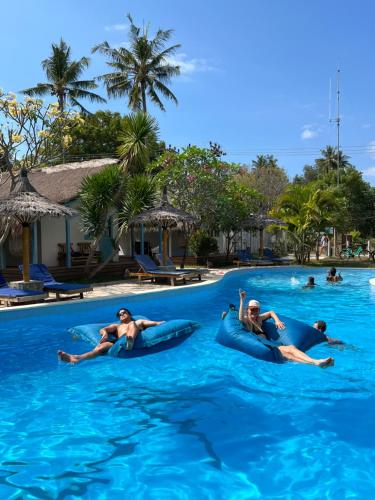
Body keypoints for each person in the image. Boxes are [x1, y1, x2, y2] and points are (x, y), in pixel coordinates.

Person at [238, 290, 334, 367]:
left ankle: (316, 363)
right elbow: (240, 318)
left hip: (270, 344)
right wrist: (242, 300)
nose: (254, 312)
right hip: (264, 345)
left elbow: (271, 312)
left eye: (256, 309)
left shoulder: (259, 318)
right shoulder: (247, 320)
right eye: (252, 309)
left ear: (259, 310)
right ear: (248, 310)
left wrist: (277, 321)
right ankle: (316, 362)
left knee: (289, 352)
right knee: (289, 350)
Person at [58, 307, 164, 364]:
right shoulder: (116, 326)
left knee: (132, 324)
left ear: (130, 314)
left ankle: (130, 340)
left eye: (124, 313)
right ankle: (77, 358)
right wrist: (104, 333)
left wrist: (163, 323)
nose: (122, 315)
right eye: (120, 314)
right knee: (100, 347)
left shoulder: (138, 321)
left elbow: (156, 323)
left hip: (134, 338)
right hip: (119, 341)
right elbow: (103, 329)